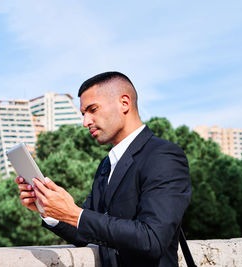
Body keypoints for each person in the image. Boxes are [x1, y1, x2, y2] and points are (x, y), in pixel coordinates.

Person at [15, 71, 192, 267]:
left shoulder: (163, 155)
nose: (85, 122)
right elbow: (85, 231)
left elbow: (152, 238)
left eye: (93, 109)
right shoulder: (107, 164)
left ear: (124, 103)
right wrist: (49, 210)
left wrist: (74, 213)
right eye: (83, 114)